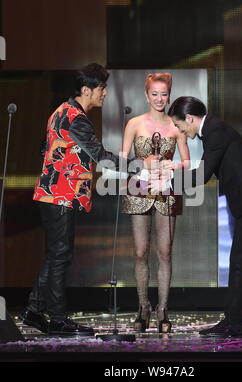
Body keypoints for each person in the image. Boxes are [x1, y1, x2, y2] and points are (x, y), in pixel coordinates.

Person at [20, 63, 145, 336]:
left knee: (57, 254)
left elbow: (45, 148)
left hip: (52, 193)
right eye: (101, 88)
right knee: (60, 255)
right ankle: (56, 317)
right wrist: (136, 166)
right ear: (86, 90)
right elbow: (99, 154)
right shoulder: (75, 117)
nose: (105, 93)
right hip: (61, 194)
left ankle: (34, 309)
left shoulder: (59, 112)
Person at [163, 96, 242, 337]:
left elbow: (203, 175)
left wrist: (167, 182)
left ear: (190, 118)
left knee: (239, 263)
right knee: (239, 263)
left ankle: (235, 325)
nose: (179, 130)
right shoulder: (213, 130)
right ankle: (233, 322)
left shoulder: (215, 131)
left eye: (179, 124)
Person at [121, 73, 190, 333]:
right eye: (155, 94)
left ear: (169, 95)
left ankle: (163, 309)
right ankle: (142, 306)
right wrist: (141, 164)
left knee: (165, 253)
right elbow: (121, 161)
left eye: (163, 94)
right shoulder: (134, 124)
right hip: (138, 191)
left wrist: (174, 165)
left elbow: (187, 162)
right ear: (146, 95)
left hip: (167, 192)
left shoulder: (176, 125)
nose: (159, 99)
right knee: (140, 252)